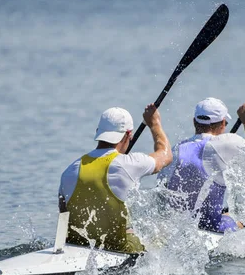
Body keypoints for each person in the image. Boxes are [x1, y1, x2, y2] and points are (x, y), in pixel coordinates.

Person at [58, 104, 172, 254]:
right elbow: (165, 155)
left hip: (76, 246)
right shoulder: (128, 164)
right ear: (128, 135)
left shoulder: (69, 171)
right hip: (120, 249)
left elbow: (63, 215)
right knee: (163, 233)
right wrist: (155, 123)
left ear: (98, 133)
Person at [157, 97, 245, 232]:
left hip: (175, 227)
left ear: (194, 122)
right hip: (211, 225)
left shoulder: (176, 150)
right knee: (243, 220)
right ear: (223, 123)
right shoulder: (226, 143)